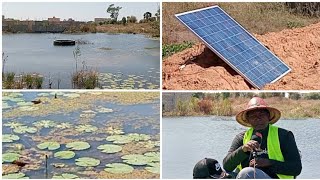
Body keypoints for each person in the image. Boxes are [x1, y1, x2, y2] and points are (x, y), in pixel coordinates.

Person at [223, 97, 302, 179]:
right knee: (222, 175)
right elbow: (227, 166)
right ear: (248, 120)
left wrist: (269, 163)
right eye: (253, 116)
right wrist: (243, 150)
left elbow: (296, 168)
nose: (258, 119)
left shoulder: (284, 136)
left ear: (268, 116)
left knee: (247, 172)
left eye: (261, 114)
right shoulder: (241, 138)